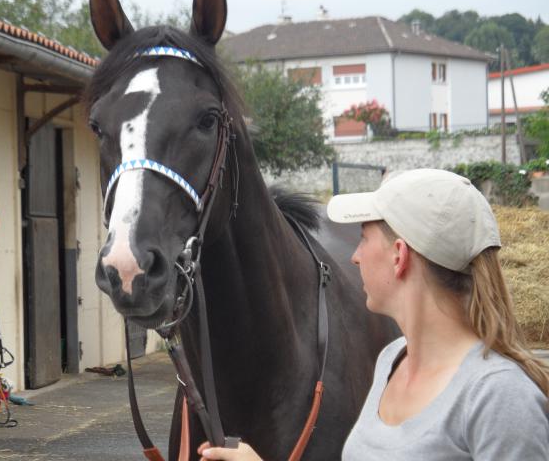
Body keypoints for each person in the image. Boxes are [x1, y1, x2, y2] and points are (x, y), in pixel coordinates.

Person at [197, 169, 549, 460]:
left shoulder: (499, 398)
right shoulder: (392, 361)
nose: (354, 256)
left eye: (363, 239)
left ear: (399, 255)